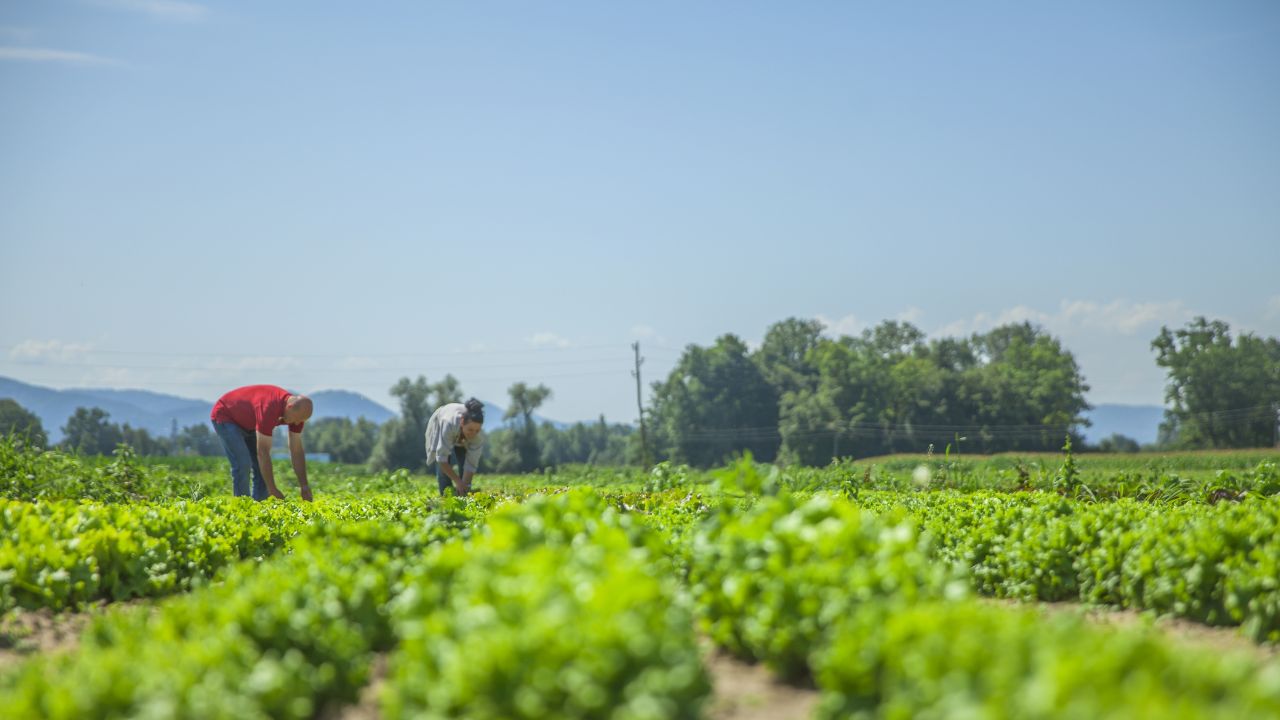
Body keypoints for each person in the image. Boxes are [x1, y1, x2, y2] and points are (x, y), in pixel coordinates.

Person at [211, 384, 314, 501]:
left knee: (261, 469)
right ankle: (242, 506)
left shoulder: (297, 415)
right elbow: (263, 452)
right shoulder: (268, 408)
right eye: (296, 419)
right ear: (289, 407)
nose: (297, 424)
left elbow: (296, 450)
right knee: (243, 464)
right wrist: (272, 489)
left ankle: (258, 507)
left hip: (250, 423)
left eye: (301, 421)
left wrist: (304, 486)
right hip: (226, 416)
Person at [425, 397, 485, 496]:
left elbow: (471, 464)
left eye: (477, 430)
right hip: (441, 422)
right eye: (470, 429)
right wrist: (458, 482)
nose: (473, 434)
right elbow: (442, 459)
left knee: (463, 461)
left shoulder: (478, 437)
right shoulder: (447, 423)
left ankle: (462, 494)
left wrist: (465, 485)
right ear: (462, 422)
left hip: (460, 435)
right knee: (443, 469)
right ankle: (445, 495)